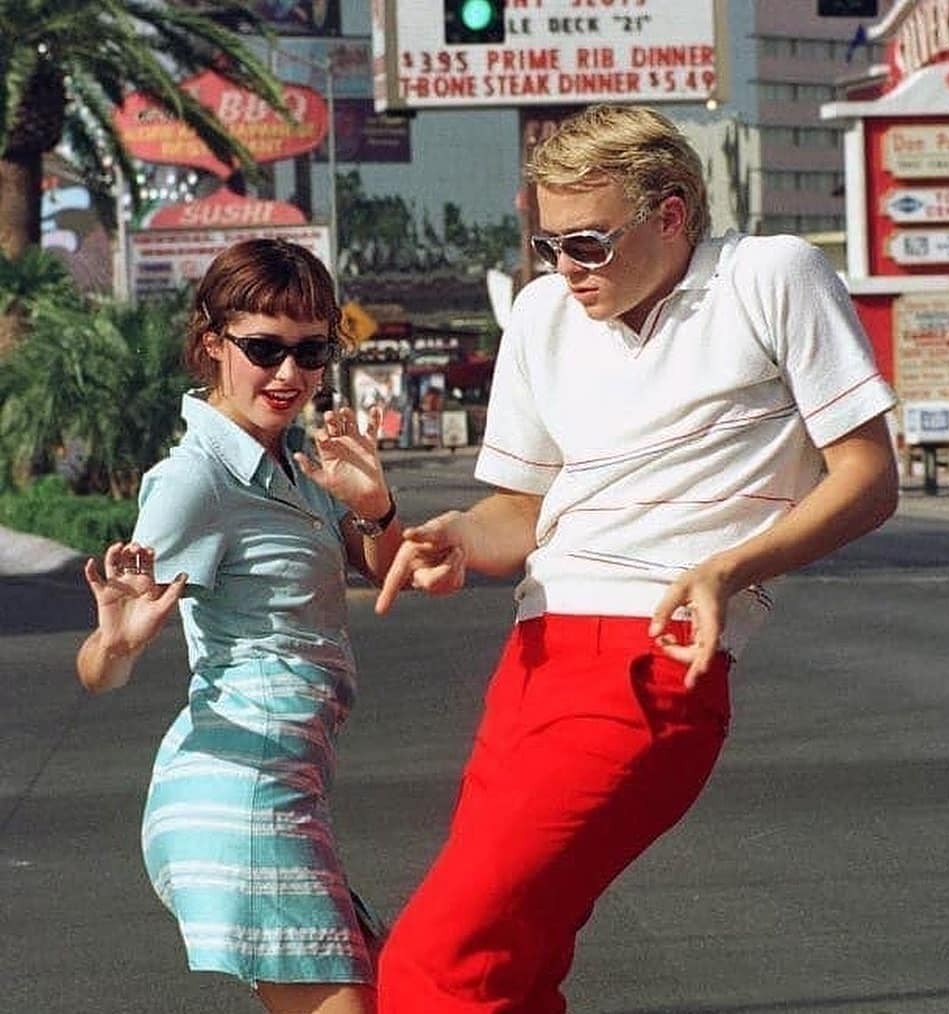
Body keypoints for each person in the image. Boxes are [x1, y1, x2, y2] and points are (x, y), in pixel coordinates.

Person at [372, 104, 900, 1013]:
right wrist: (458, 534)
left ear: (671, 215)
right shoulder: (542, 315)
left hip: (653, 661)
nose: (566, 269)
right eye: (546, 244)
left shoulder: (771, 277)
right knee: (513, 966)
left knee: (438, 962)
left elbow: (868, 478)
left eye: (588, 243)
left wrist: (732, 567)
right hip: (533, 660)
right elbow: (521, 511)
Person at [76, 238, 401, 1014]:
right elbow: (102, 668)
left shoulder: (286, 466)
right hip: (238, 796)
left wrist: (374, 507)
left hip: (284, 790)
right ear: (212, 343)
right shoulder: (196, 478)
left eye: (311, 351)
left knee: (399, 986)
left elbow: (384, 569)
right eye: (263, 348)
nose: (289, 375)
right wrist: (116, 642)